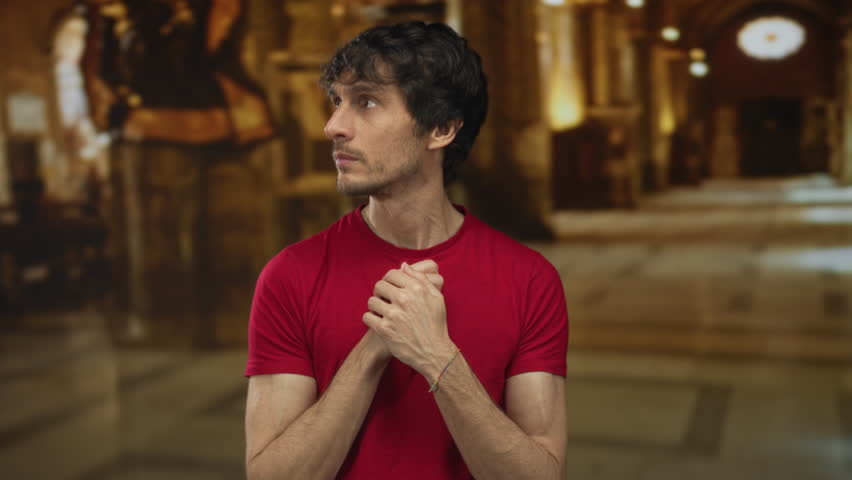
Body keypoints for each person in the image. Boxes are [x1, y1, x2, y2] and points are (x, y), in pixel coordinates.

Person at [244, 21, 568, 480]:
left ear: (441, 128)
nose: (333, 126)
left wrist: (435, 356)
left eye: (366, 102)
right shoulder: (291, 275)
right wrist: (375, 346)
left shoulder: (529, 280)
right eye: (337, 101)